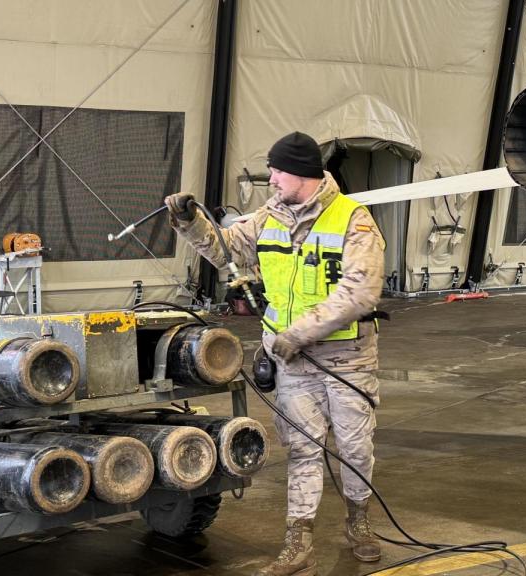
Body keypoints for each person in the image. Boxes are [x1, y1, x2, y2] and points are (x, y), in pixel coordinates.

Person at [165, 131, 386, 574]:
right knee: (303, 450)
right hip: (292, 363)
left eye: (276, 170)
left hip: (347, 361)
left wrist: (298, 333)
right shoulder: (270, 217)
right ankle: (298, 541)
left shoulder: (354, 221)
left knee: (355, 448)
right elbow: (224, 248)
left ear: (301, 173)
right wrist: (190, 223)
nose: (271, 178)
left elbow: (360, 293)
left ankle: (359, 520)